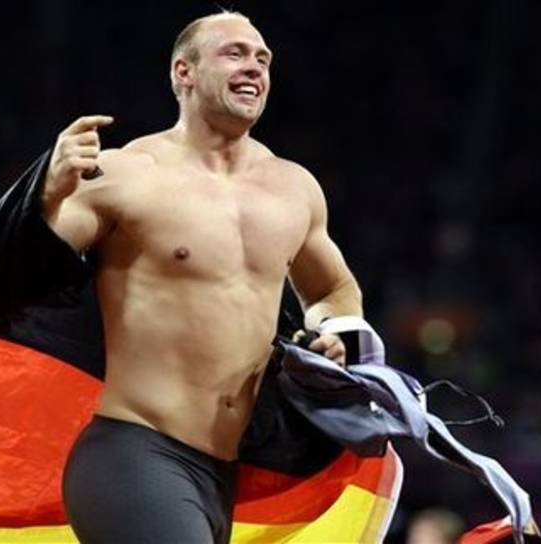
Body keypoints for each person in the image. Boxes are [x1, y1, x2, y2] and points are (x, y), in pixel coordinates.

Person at [53, 10, 364, 543]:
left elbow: (334, 290)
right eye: (234, 53)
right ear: (184, 72)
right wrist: (49, 193)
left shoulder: (294, 189)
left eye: (263, 59)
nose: (254, 68)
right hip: (134, 454)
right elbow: (27, 273)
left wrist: (333, 333)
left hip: (223, 475)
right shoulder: (125, 173)